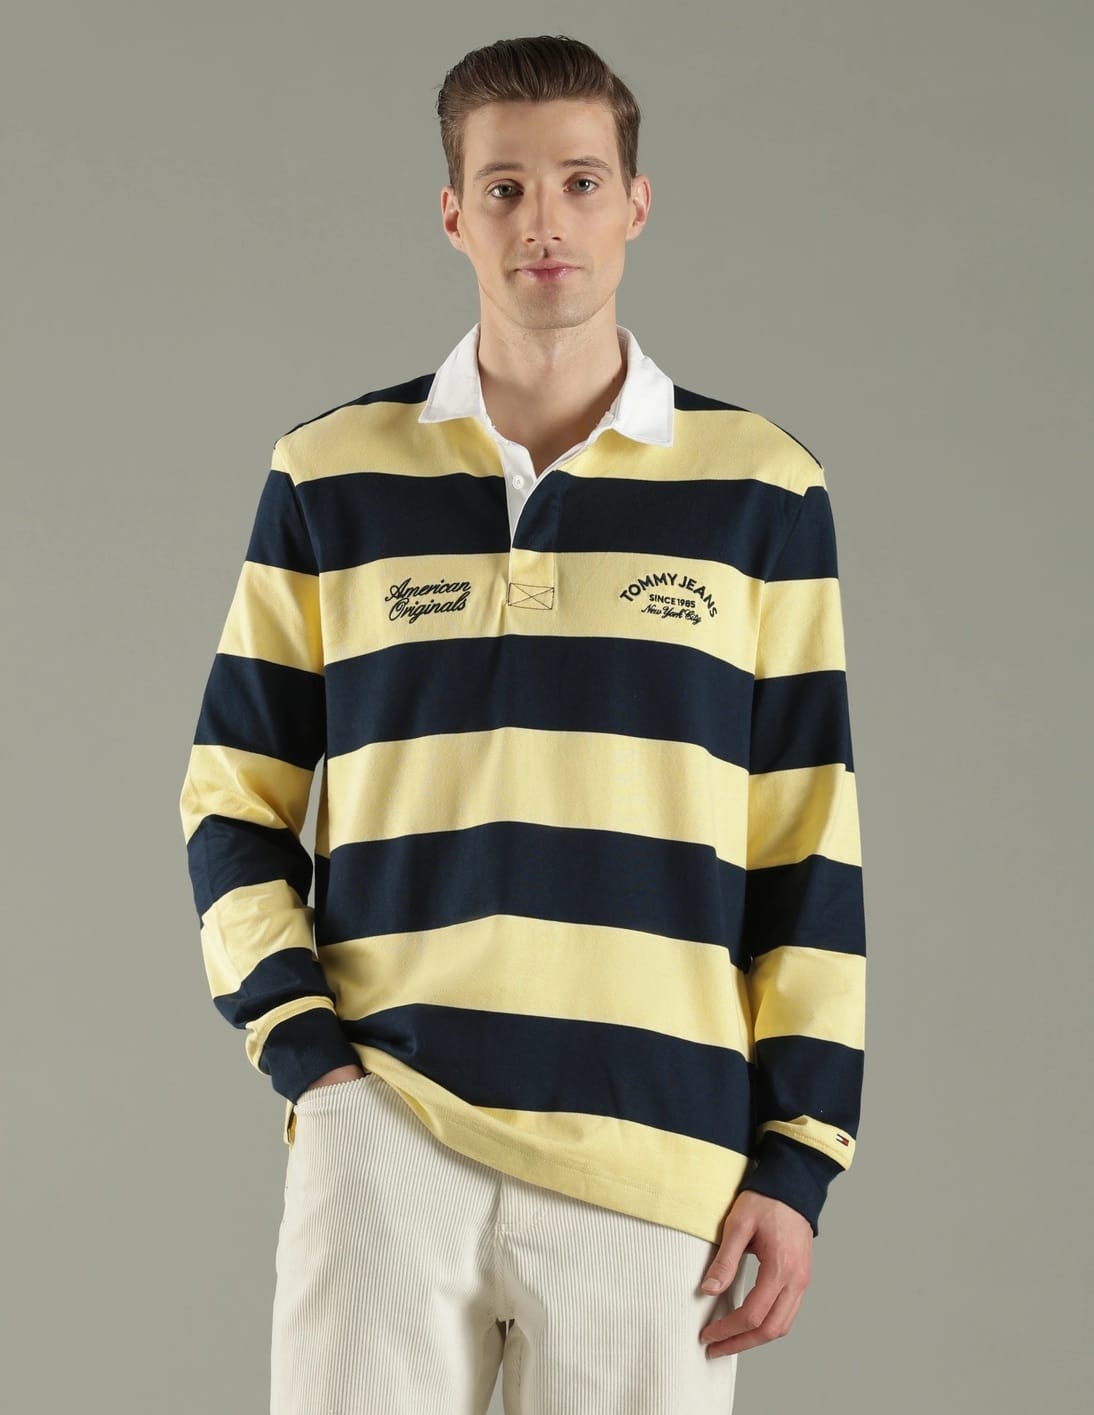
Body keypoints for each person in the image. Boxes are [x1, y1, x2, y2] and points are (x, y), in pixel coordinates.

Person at [179, 33, 866, 1415]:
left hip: (656, 1162)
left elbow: (805, 840)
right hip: (388, 1132)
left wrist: (799, 1157)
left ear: (635, 203)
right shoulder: (327, 477)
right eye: (503, 187)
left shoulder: (763, 492)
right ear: (454, 215)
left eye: (579, 181)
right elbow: (231, 799)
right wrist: (317, 1070)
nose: (543, 220)